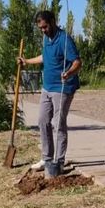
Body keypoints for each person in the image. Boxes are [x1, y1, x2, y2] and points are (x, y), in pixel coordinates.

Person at [17, 10, 82, 178]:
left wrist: (69, 73)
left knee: (58, 124)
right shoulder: (46, 39)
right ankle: (46, 159)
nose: (43, 30)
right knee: (43, 121)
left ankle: (58, 162)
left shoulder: (64, 40)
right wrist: (27, 61)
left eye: (45, 27)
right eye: (40, 28)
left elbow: (77, 62)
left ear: (53, 21)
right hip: (47, 87)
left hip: (63, 88)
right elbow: (44, 57)